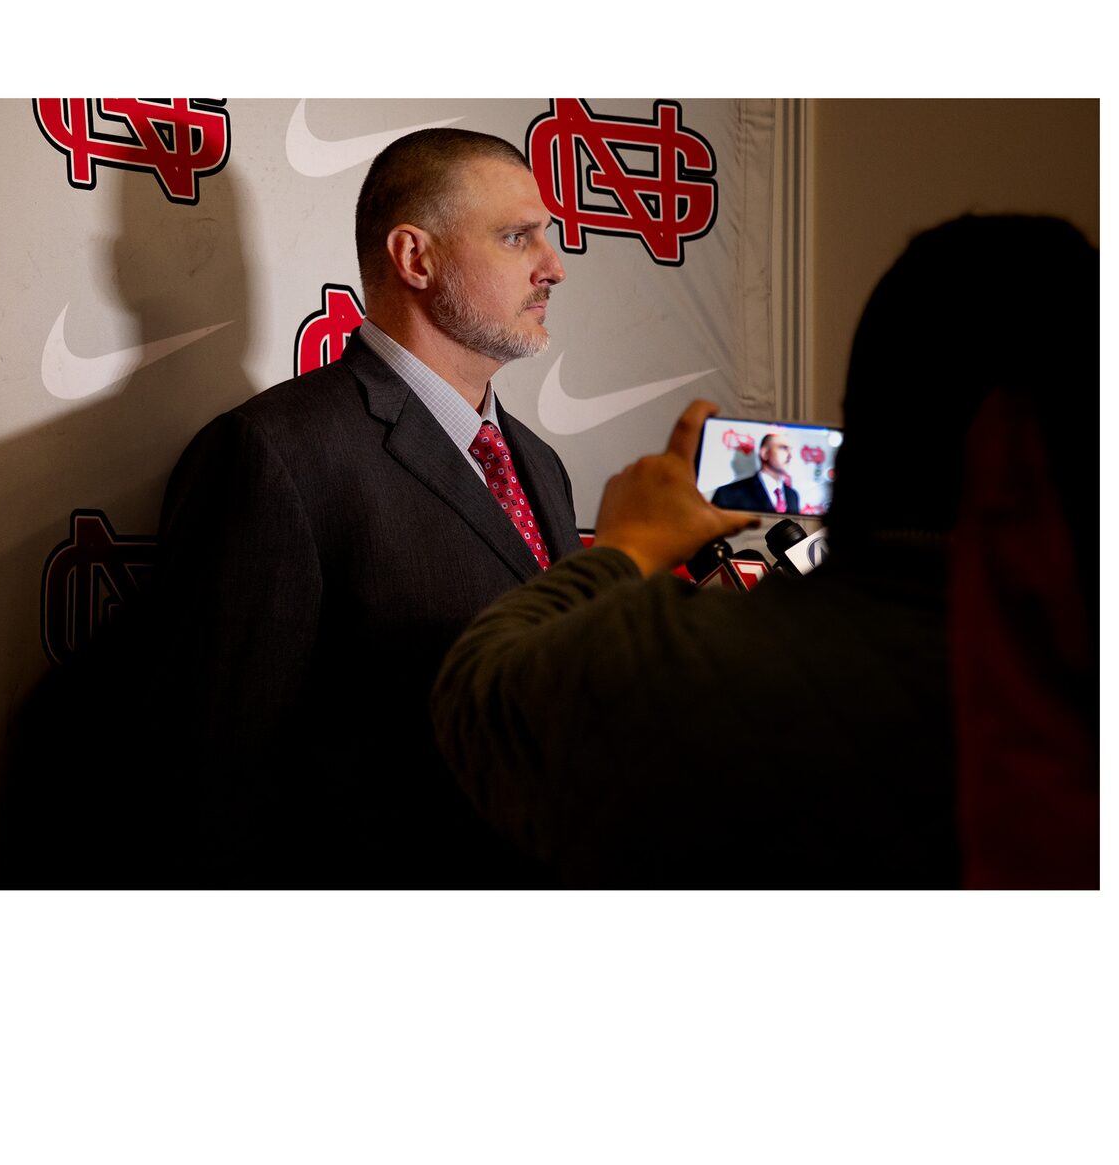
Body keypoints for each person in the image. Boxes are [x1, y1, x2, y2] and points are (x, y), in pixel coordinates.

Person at [432, 215, 1097, 888]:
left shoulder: (677, 665)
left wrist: (629, 546)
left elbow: (486, 704)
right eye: (516, 237)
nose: (555, 267)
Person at [152, 128, 584, 885]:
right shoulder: (275, 453)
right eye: (517, 238)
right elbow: (217, 785)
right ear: (415, 258)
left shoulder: (540, 466)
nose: (554, 267)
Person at [713, 431, 800, 513]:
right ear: (765, 453)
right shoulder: (728, 495)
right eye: (783, 448)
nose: (790, 455)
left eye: (790, 449)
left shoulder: (792, 496)